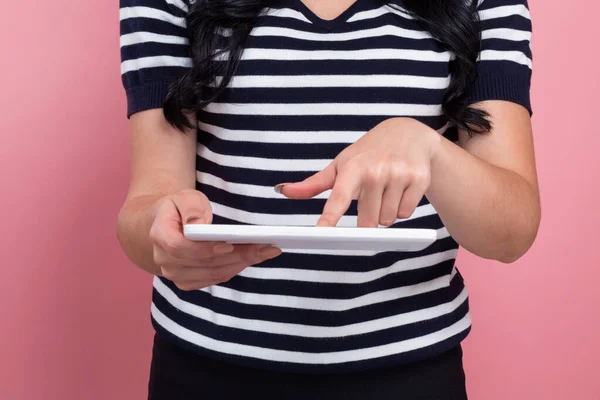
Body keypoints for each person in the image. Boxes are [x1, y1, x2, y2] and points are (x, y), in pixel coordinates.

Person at [117, 0, 540, 398]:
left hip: (410, 369)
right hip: (205, 368)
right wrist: (165, 228)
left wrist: (429, 149)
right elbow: (147, 203)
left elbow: (511, 231)